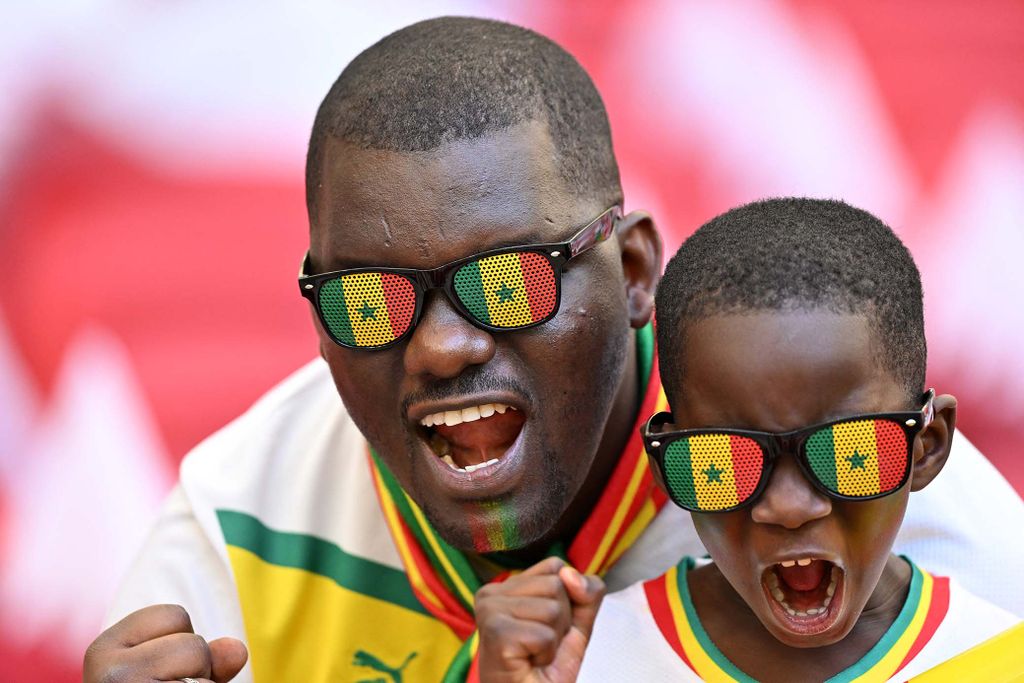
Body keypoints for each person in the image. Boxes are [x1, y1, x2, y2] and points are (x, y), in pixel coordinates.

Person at [83, 18, 1024, 683]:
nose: (445, 346)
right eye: (370, 299)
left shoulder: (895, 519)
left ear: (636, 272)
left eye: (508, 280)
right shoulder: (246, 520)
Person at [475, 198, 1022, 682]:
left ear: (926, 446)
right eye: (723, 460)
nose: (787, 509)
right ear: (668, 466)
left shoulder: (1001, 656)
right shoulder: (587, 659)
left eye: (848, 453)